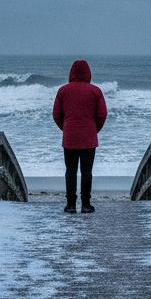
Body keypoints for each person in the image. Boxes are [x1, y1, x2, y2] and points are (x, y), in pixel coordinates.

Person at [52, 59, 107, 214]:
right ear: (88, 73)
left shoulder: (63, 90)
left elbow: (56, 114)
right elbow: (102, 115)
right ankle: (85, 205)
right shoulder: (95, 91)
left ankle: (70, 205)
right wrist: (94, 130)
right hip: (88, 137)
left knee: (70, 171)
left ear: (71, 73)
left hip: (69, 136)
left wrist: (66, 128)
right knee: (86, 172)